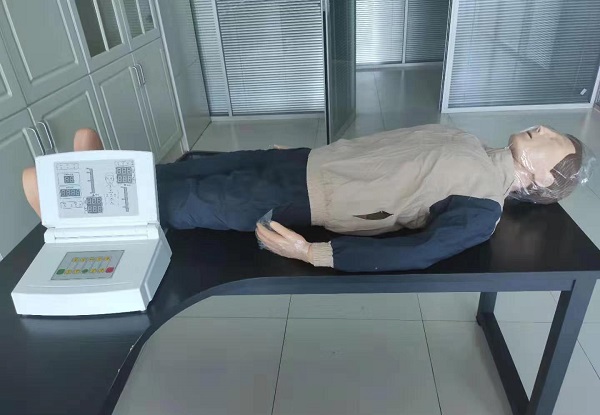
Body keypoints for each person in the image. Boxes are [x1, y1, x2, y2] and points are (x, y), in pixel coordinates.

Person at [22, 124, 593, 273]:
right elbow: (386, 148)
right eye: (547, 129)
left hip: (309, 195)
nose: (541, 130)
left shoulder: (483, 207)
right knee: (199, 167)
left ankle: (81, 209)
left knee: (201, 198)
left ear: (545, 181)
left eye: (552, 141)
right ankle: (103, 179)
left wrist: (313, 252)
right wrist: (306, 151)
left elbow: (416, 252)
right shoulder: (469, 142)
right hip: (307, 161)